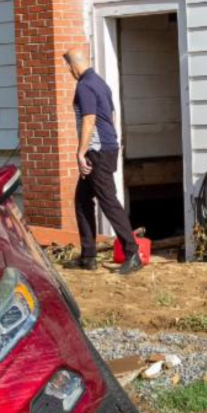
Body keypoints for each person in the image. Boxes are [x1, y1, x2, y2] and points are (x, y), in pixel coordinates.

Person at [66, 47, 145, 275]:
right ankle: (88, 257)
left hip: (97, 152)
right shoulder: (100, 82)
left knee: (108, 201)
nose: (69, 71)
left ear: (73, 66)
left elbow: (90, 120)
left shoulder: (84, 86)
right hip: (106, 148)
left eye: (68, 67)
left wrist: (81, 153)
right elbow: (110, 116)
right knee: (82, 201)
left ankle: (132, 253)